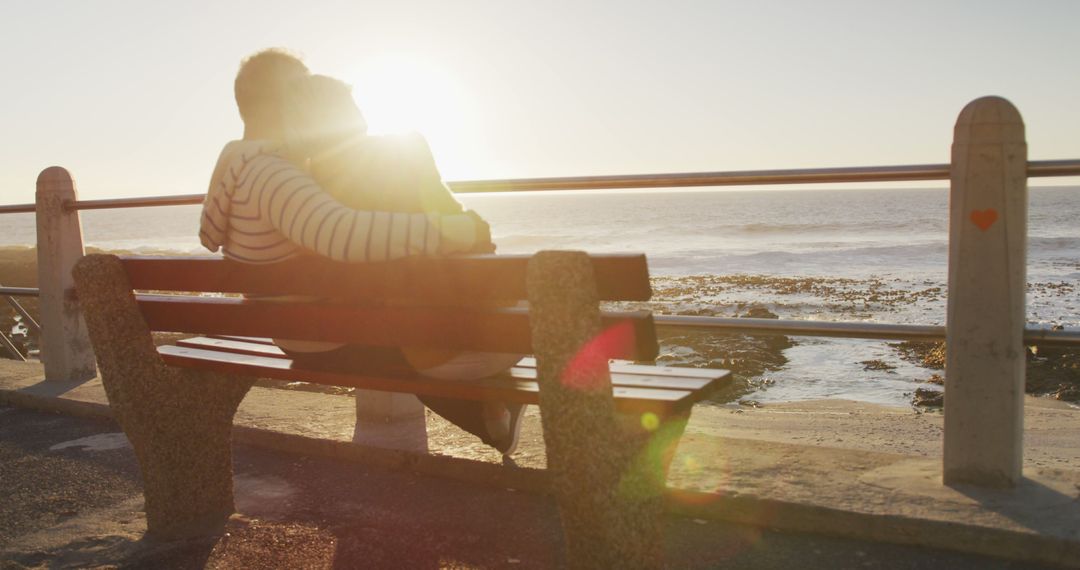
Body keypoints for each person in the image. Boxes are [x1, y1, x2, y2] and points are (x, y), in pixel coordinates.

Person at [199, 48, 524, 455]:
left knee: (411, 322)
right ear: (282, 100)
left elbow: (222, 236)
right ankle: (495, 413)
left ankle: (493, 418)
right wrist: (448, 231)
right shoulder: (272, 174)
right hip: (322, 338)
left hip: (292, 328)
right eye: (302, 88)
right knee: (421, 337)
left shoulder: (238, 167)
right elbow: (343, 234)